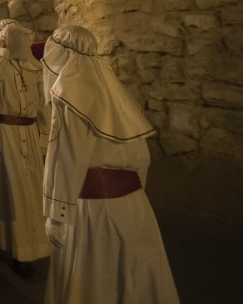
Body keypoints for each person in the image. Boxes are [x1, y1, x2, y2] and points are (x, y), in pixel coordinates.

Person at [42, 25, 179, 304]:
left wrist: (57, 214)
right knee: (135, 276)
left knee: (96, 280)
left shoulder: (68, 94)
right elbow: (142, 159)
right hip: (134, 204)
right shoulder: (115, 90)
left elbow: (66, 160)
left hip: (93, 210)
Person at [0, 19, 51, 276]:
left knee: (32, 187)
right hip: (4, 133)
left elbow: (42, 103)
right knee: (13, 189)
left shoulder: (33, 66)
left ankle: (37, 245)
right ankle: (17, 249)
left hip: (28, 131)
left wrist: (44, 135)